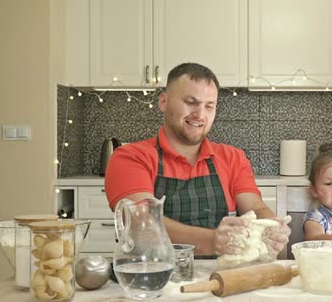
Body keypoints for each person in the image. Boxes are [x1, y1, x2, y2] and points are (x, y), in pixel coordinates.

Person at [104, 62, 290, 256]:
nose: (200, 115)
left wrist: (270, 226)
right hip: (150, 277)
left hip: (218, 277)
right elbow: (141, 222)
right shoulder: (130, 157)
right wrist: (212, 241)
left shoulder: (233, 158)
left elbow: (256, 208)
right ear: (163, 102)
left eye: (209, 106)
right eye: (191, 102)